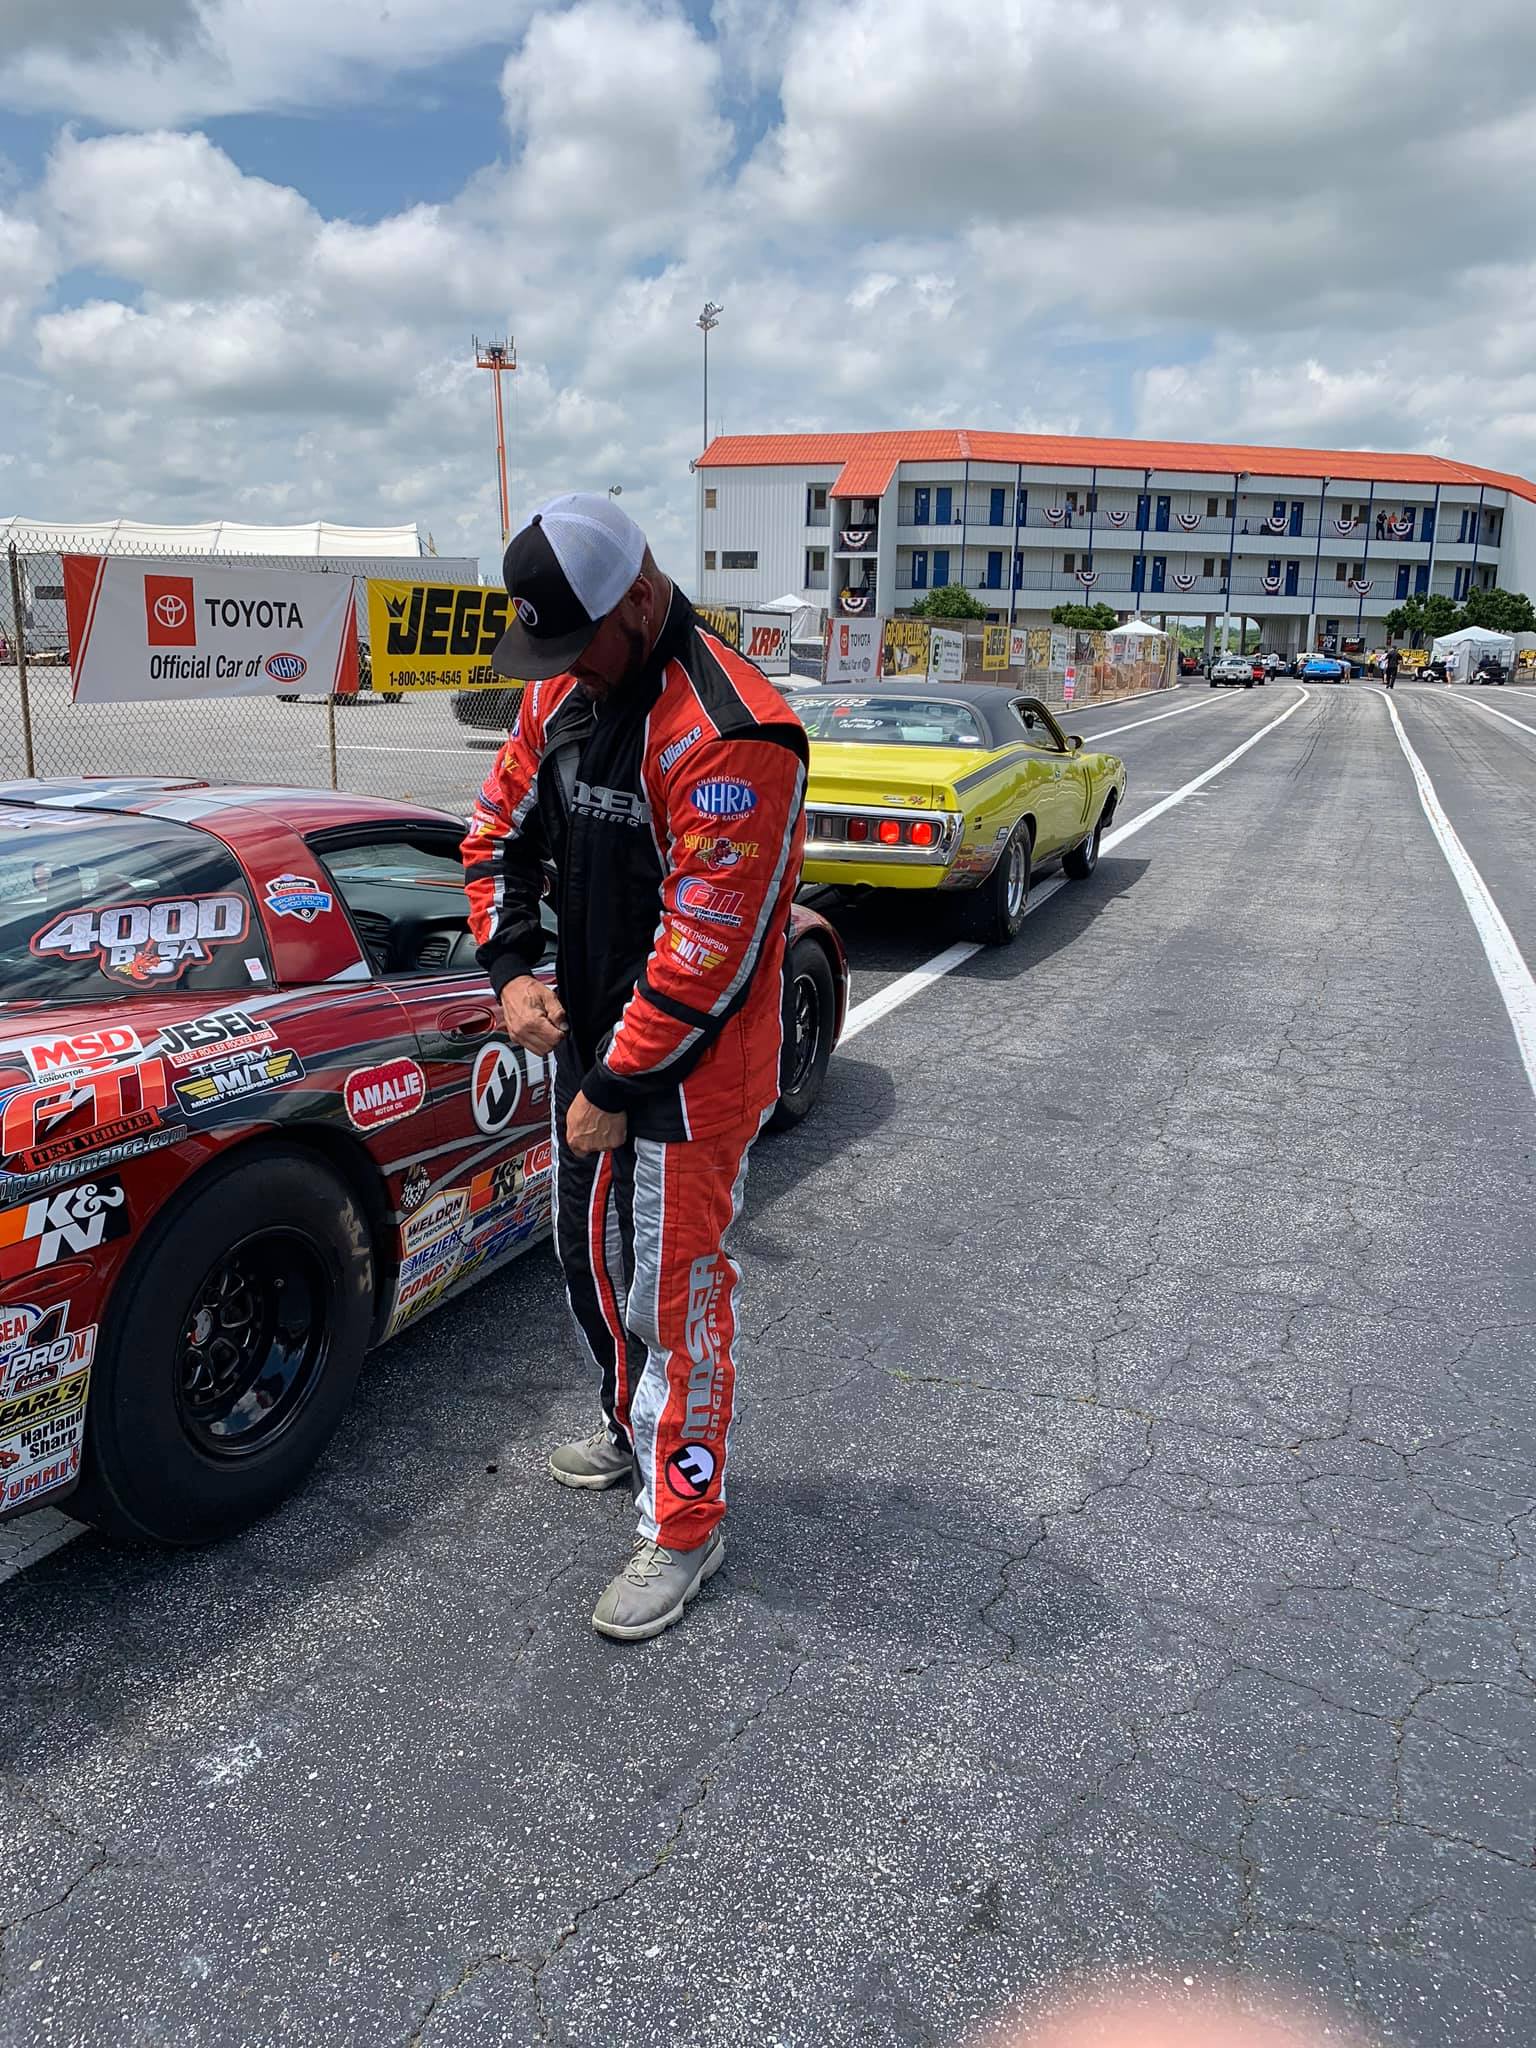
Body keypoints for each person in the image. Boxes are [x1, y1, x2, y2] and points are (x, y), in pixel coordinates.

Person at [460, 494, 808, 1641]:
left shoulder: (735, 731)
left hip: (691, 1075)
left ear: (643, 600)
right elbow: (495, 835)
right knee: (584, 1259)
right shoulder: (561, 689)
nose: (562, 669)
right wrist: (511, 969)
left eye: (579, 643)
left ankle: (687, 1522)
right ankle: (630, 1426)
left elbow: (709, 952)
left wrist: (616, 1087)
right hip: (591, 1045)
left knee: (677, 1299)